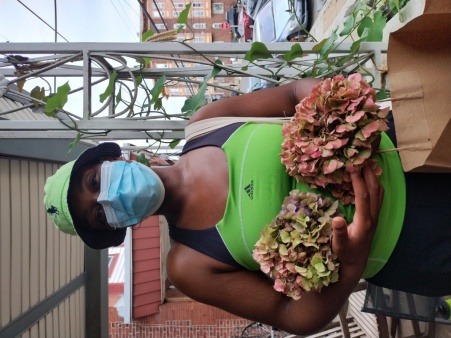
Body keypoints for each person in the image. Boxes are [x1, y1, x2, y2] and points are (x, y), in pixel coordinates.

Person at [43, 78, 451, 335]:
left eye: (95, 182)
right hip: (416, 249)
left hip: (416, 149)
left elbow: (293, 94)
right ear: (117, 227)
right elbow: (292, 317)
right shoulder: (188, 264)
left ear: (110, 160)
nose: (108, 196)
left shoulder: (206, 123)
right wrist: (351, 265)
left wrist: (338, 111)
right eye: (99, 212)